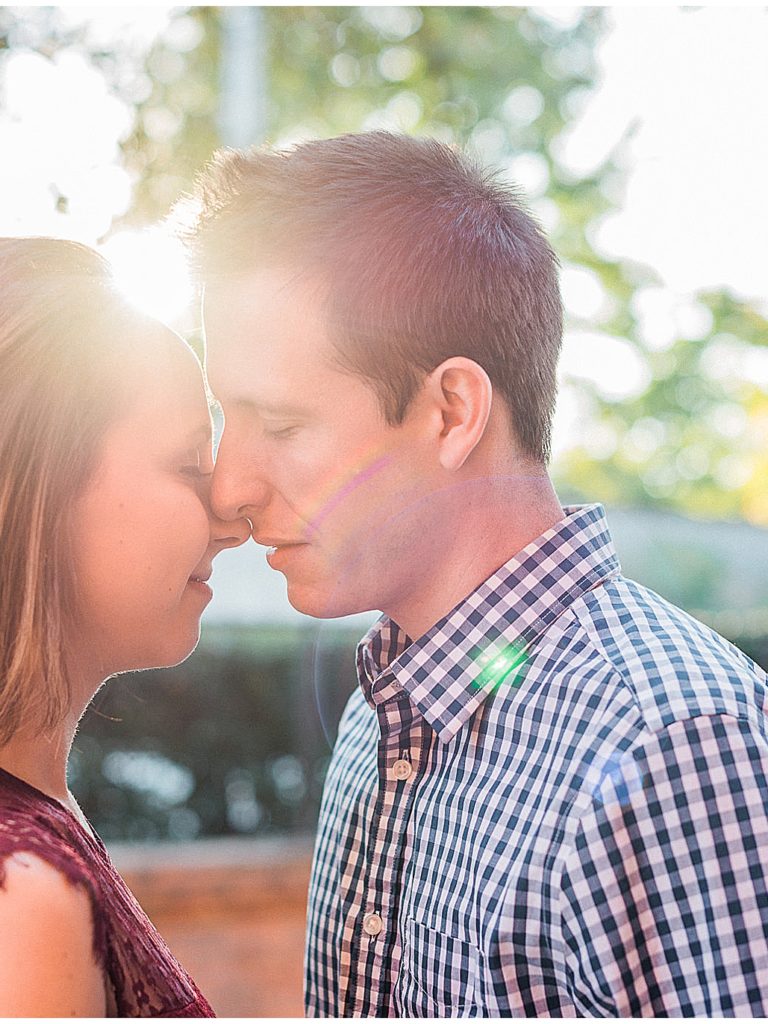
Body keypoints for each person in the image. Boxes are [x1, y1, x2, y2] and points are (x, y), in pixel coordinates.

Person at [181, 132, 768, 1017]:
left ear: (451, 411)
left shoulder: (671, 743)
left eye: (283, 424)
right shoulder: (387, 707)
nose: (230, 487)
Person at [0, 237, 248, 1017]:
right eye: (187, 466)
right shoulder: (23, 896)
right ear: (35, 484)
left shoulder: (41, 826)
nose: (231, 518)